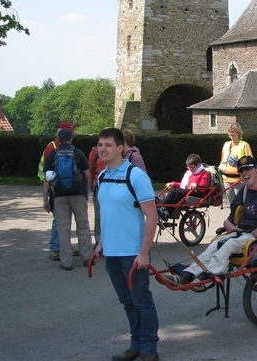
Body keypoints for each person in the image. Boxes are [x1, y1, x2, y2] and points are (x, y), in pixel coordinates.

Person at [162, 155, 257, 288]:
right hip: (241, 232)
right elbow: (233, 214)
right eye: (241, 171)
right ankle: (186, 276)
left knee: (229, 245)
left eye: (248, 169)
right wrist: (227, 223)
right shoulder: (244, 191)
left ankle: (205, 278)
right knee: (214, 245)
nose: (244, 173)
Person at [94, 128, 160, 361]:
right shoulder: (102, 177)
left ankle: (149, 349)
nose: (103, 149)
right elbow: (107, 213)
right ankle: (136, 344)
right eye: (100, 144)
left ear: (121, 148)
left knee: (141, 302)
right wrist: (101, 242)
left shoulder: (136, 176)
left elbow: (152, 216)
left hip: (132, 253)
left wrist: (144, 252)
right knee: (127, 301)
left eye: (108, 145)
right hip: (112, 253)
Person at [42, 128, 94, 270]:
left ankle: (66, 261)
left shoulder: (53, 154)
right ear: (71, 138)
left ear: (59, 139)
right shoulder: (78, 153)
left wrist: (46, 199)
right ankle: (87, 257)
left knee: (63, 227)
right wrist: (87, 190)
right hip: (78, 193)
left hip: (59, 196)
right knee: (82, 225)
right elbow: (87, 174)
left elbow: (47, 180)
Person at [38, 121, 75, 261]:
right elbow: (47, 175)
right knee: (59, 220)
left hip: (59, 189)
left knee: (63, 219)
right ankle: (55, 247)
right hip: (56, 190)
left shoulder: (54, 147)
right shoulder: (52, 148)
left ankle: (63, 246)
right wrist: (46, 197)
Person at [218, 123, 252, 205]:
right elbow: (222, 160)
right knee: (232, 204)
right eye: (230, 132)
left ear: (238, 133)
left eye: (233, 132)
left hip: (239, 180)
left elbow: (250, 161)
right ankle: (233, 218)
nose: (231, 134)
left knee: (241, 203)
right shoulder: (226, 145)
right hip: (226, 179)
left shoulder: (244, 145)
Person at [88, 144, 107, 243]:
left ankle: (103, 240)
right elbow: (90, 168)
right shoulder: (95, 151)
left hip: (102, 183)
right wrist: (91, 184)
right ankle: (99, 241)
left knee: (102, 214)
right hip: (99, 184)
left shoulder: (95, 151)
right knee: (99, 214)